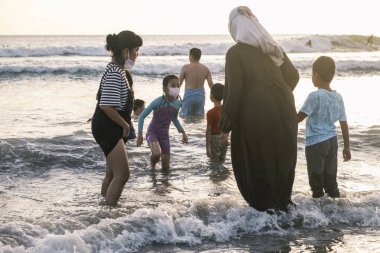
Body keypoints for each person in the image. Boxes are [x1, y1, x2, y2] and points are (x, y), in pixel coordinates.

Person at [219, 6, 300, 212]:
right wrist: (277, 94)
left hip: (256, 112)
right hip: (285, 107)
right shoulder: (272, 47)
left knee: (258, 157)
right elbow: (293, 76)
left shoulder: (236, 52)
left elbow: (234, 91)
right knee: (282, 155)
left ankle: (264, 211)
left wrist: (225, 126)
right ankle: (284, 207)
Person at [91, 30, 143, 205]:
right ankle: (109, 213)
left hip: (108, 124)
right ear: (125, 51)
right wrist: (126, 126)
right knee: (123, 175)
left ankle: (103, 207)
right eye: (136, 50)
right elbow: (106, 106)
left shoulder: (119, 71)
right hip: (109, 126)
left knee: (112, 174)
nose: (137, 55)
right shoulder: (115, 72)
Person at [298, 56, 351, 198]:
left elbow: (298, 118)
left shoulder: (314, 96)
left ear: (316, 75)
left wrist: (283, 116)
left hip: (316, 143)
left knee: (316, 183)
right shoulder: (338, 97)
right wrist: (347, 146)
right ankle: (334, 211)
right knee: (331, 181)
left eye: (312, 74)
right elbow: (344, 123)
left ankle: (319, 214)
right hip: (332, 142)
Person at [137, 75, 188, 170]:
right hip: (153, 132)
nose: (176, 88)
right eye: (173, 86)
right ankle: (152, 167)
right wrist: (140, 135)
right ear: (165, 88)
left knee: (165, 168)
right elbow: (141, 117)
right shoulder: (157, 102)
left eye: (178, 86)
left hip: (165, 135)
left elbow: (174, 119)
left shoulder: (178, 104)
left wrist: (183, 133)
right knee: (156, 154)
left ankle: (162, 184)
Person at [179, 48, 213, 116]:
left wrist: (174, 95)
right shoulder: (205, 69)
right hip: (201, 97)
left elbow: (179, 83)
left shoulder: (185, 67)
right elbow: (211, 84)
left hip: (189, 96)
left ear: (191, 56)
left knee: (185, 116)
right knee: (199, 117)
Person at [206, 83, 228, 163]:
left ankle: (215, 175)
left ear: (211, 96)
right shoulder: (225, 110)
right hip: (224, 137)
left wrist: (207, 147)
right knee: (222, 161)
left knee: (214, 162)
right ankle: (222, 175)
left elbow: (208, 130)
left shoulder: (210, 112)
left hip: (214, 139)